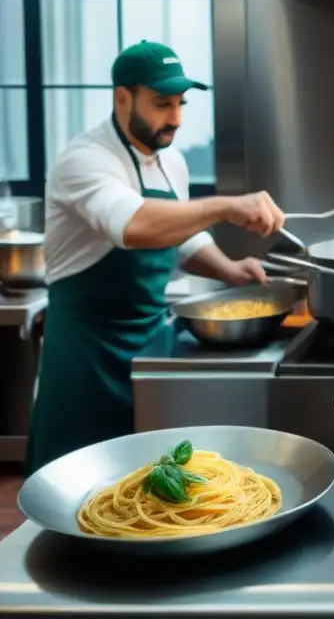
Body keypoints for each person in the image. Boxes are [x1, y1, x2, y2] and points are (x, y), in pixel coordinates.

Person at [26, 40, 286, 474]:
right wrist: (226, 205)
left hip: (150, 342)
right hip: (87, 353)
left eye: (181, 104)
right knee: (77, 480)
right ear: (122, 97)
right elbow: (135, 226)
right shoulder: (85, 160)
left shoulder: (172, 163)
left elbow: (180, 235)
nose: (176, 119)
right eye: (162, 104)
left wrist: (230, 270)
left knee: (149, 481)